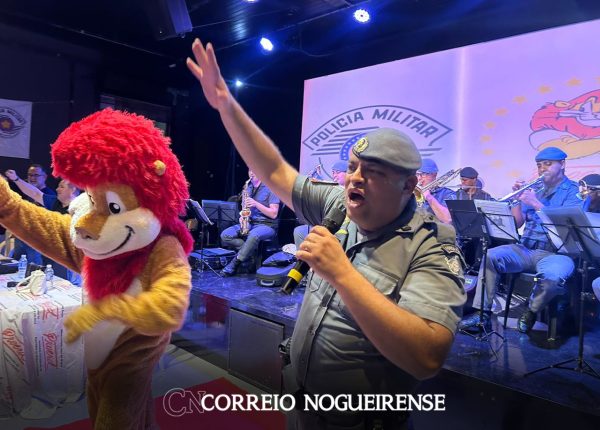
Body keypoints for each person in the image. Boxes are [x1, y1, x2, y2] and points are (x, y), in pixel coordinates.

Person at [188, 39, 466, 429]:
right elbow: (275, 170)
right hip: (300, 401)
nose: (355, 178)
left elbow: (427, 357)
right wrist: (226, 107)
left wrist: (342, 274)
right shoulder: (339, 203)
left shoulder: (430, 244)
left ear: (408, 186)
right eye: (352, 167)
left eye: (373, 172)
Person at [459, 147, 580, 334]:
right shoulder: (536, 189)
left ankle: (531, 310)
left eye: (548, 164)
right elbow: (517, 222)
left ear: (562, 164)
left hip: (556, 252)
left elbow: (565, 226)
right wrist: (516, 200)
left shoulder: (573, 191)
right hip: (526, 248)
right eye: (539, 165)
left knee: (553, 278)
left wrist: (536, 203)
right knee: (490, 256)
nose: (542, 169)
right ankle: (482, 313)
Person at [220, 169, 280, 276]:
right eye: (249, 170)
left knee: (253, 234)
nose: (252, 172)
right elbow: (245, 209)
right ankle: (250, 253)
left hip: (267, 225)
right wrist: (242, 217)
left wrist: (256, 204)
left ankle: (234, 263)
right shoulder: (248, 187)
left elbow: (274, 214)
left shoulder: (271, 187)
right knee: (225, 235)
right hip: (251, 222)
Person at [293, 159, 347, 249]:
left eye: (337, 172)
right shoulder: (332, 188)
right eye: (333, 172)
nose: (334, 175)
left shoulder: (350, 190)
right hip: (323, 222)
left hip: (339, 226)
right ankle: (305, 257)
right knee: (300, 231)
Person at [7, 164, 55, 265]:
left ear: (44, 177)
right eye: (30, 175)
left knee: (34, 269)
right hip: (21, 237)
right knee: (16, 266)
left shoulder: (49, 195)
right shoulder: (25, 193)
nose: (32, 178)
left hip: (37, 240)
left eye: (36, 175)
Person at [415, 158, 454, 223]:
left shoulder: (447, 194)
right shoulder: (413, 193)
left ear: (434, 175)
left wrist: (429, 197)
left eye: (423, 174)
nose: (419, 178)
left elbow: (448, 219)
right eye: (417, 174)